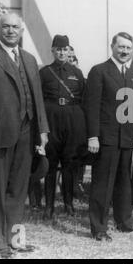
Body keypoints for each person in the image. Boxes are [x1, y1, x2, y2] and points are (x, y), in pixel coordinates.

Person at [0, 12, 49, 258]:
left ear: (22, 30)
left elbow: (37, 99)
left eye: (15, 27)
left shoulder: (28, 58)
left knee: (18, 190)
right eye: (6, 27)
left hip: (27, 133)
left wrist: (43, 130)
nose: (11, 31)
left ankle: (15, 240)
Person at [85, 32, 133, 242]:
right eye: (121, 47)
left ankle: (124, 222)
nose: (124, 51)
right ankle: (99, 228)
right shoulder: (99, 71)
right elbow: (91, 107)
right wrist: (93, 136)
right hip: (106, 138)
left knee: (125, 183)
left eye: (128, 48)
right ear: (112, 46)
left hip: (127, 139)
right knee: (103, 184)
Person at [39, 35, 86, 219]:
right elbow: (39, 99)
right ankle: (49, 206)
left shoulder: (77, 73)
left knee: (69, 163)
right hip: (51, 119)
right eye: (58, 49)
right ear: (52, 51)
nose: (61, 52)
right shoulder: (44, 72)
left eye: (64, 49)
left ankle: (68, 204)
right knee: (50, 164)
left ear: (69, 51)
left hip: (71, 119)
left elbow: (83, 98)